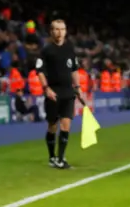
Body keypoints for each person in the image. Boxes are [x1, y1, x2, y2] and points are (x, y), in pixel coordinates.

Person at [35, 19, 83, 169]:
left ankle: (61, 159)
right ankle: (52, 157)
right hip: (53, 92)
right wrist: (46, 88)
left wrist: (78, 87)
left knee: (66, 124)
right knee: (52, 125)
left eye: (62, 29)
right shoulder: (46, 50)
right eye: (56, 29)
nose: (59, 32)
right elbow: (40, 71)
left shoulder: (70, 49)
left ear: (66, 31)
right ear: (51, 31)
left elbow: (74, 69)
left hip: (68, 92)